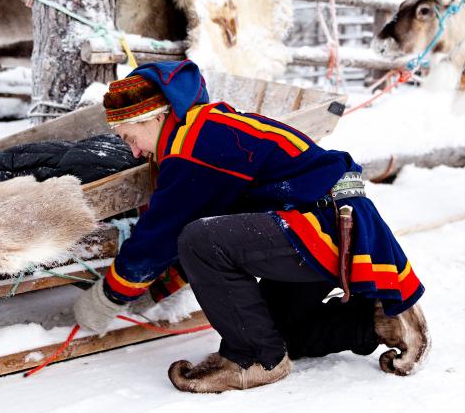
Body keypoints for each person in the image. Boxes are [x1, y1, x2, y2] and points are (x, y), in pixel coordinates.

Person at [74, 60, 429, 393]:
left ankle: (253, 359)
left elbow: (163, 234)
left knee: (198, 240)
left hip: (320, 225)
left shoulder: (192, 144)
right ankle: (378, 322)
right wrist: (152, 292)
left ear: (154, 117)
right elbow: (199, 224)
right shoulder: (205, 130)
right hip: (314, 219)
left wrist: (110, 295)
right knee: (278, 334)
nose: (134, 151)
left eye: (128, 137)